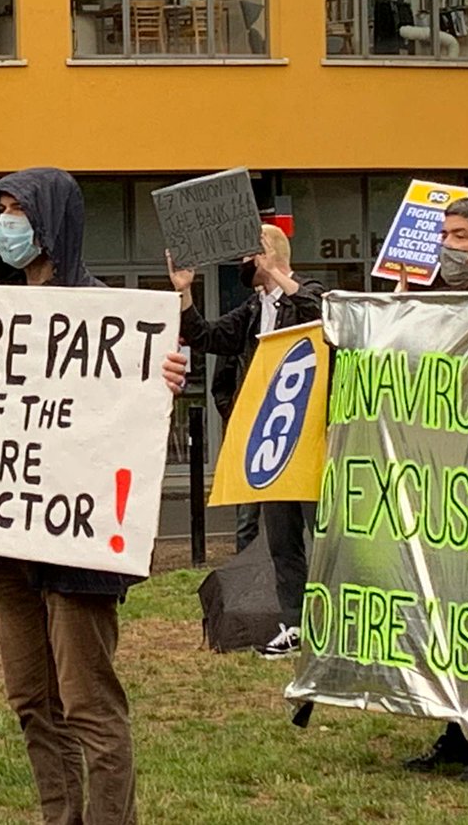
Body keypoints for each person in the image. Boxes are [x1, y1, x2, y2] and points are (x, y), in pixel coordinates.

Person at [0, 168, 187, 825]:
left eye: (21, 210)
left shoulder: (110, 314)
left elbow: (128, 419)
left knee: (88, 706)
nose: (8, 224)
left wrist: (164, 378)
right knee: (30, 701)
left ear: (54, 220)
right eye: (2, 211)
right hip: (5, 546)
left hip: (78, 553)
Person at [168, 224, 324, 659]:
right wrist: (185, 293)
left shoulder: (305, 294)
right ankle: (294, 623)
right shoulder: (255, 310)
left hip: (310, 441)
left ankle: (338, 626)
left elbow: (319, 313)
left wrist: (276, 272)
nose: (240, 264)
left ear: (266, 254)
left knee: (324, 536)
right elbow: (207, 336)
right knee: (282, 541)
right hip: (271, 442)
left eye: (246, 255)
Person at [401, 196, 468, 782]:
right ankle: (458, 730)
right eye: (444, 233)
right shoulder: (449, 302)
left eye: (460, 236)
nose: (448, 246)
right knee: (459, 613)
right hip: (454, 480)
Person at [212, 354, 261, 552]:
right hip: (247, 428)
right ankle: (245, 569)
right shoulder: (242, 327)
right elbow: (221, 384)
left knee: (287, 516)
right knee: (247, 516)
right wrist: (234, 415)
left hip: (278, 424)